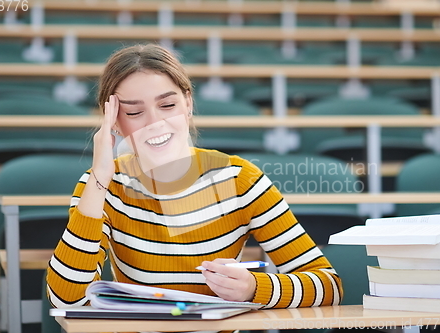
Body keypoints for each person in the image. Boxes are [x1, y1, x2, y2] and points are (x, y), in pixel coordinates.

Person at [46, 43, 342, 309]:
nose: (156, 123)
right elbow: (66, 299)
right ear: (114, 121)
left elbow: (329, 285)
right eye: (134, 113)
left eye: (167, 105)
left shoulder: (241, 180)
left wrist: (254, 288)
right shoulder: (100, 186)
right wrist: (100, 177)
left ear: (188, 103)